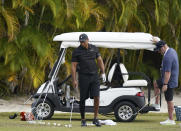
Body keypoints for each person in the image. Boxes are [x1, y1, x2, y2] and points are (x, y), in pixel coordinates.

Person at [71, 33, 106, 127]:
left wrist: (103, 72)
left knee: (96, 97)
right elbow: (73, 66)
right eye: (81, 42)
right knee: (82, 99)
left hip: (94, 76)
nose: (82, 43)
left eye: (84, 41)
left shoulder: (94, 48)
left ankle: (95, 118)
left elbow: (99, 60)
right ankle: (83, 120)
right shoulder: (76, 51)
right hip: (83, 77)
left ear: (88, 40)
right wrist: (74, 79)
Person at [152, 39, 179, 125]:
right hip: (168, 79)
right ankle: (157, 103)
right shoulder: (171, 50)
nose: (159, 52)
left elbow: (168, 72)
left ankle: (171, 120)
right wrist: (157, 41)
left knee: (169, 100)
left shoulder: (168, 57)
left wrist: (165, 84)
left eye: (159, 50)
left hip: (169, 81)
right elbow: (162, 42)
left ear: (163, 47)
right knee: (156, 83)